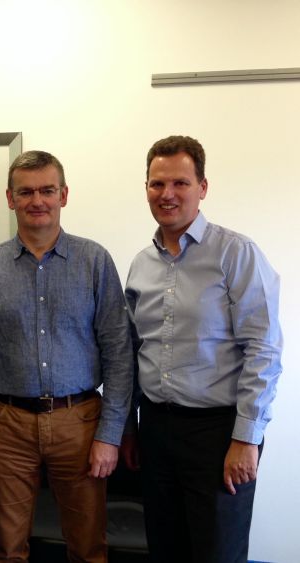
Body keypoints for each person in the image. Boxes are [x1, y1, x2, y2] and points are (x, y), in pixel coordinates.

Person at [0, 150, 133, 563]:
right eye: (26, 191)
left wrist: (110, 435)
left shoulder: (94, 261)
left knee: (88, 546)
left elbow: (119, 354)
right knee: (7, 547)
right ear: (11, 198)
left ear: (64, 195)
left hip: (81, 422)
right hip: (7, 427)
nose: (38, 200)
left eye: (47, 190)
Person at [123, 135, 283, 563]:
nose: (167, 194)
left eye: (180, 183)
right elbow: (135, 351)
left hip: (219, 434)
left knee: (217, 551)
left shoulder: (237, 254)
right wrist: (131, 429)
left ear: (203, 187)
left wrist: (246, 439)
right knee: (164, 547)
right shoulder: (141, 265)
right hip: (156, 428)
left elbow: (263, 350)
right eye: (157, 184)